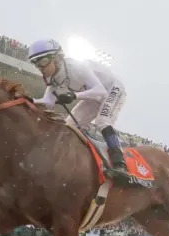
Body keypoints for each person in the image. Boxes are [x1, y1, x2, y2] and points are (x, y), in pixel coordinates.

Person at [27, 38, 130, 180]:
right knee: (69, 126)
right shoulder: (53, 79)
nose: (41, 68)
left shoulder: (76, 66)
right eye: (37, 65)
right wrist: (28, 100)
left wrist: (74, 95)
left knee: (103, 121)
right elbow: (47, 102)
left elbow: (100, 92)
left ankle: (120, 163)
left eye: (43, 62)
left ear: (56, 58)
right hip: (93, 94)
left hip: (112, 89)